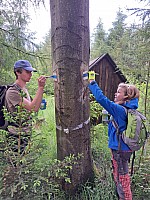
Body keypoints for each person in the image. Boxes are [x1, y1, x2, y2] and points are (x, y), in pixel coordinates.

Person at [88, 77, 140, 200]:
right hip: (123, 148)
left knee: (123, 178)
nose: (115, 94)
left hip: (119, 149)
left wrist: (92, 83)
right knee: (120, 176)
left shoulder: (119, 110)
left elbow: (101, 99)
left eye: (118, 92)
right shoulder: (129, 109)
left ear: (126, 97)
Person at [5, 60, 46, 156]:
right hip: (15, 135)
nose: (30, 74)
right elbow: (33, 108)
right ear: (18, 72)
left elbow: (32, 106)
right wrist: (40, 88)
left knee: (23, 162)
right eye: (27, 72)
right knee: (15, 165)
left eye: (31, 72)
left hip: (25, 132)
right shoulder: (12, 91)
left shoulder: (23, 89)